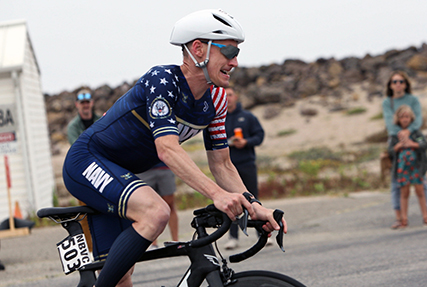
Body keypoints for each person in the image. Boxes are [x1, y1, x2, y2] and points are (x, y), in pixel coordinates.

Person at [62, 9, 287, 287]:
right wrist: (217, 194)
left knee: (122, 279)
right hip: (87, 161)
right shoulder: (162, 81)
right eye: (229, 51)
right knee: (156, 212)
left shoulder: (216, 98)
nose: (236, 62)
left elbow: (222, 164)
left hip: (122, 172)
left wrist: (254, 205)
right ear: (198, 49)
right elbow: (167, 149)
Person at [382, 71, 427, 229]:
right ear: (390, 85)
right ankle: (400, 217)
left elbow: (419, 119)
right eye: (394, 81)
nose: (398, 84)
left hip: (413, 138)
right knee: (398, 185)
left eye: (401, 81)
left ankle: (425, 215)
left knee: (421, 183)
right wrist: (401, 138)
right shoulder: (388, 102)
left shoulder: (413, 99)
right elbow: (390, 122)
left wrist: (410, 134)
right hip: (396, 139)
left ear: (406, 84)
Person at [223, 87, 265, 250]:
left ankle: (261, 233)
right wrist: (229, 142)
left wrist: (246, 142)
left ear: (236, 97)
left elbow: (259, 136)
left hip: (247, 163)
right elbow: (213, 142)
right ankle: (233, 237)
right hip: (228, 166)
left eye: (230, 95)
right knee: (232, 201)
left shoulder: (247, 117)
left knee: (252, 198)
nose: (228, 98)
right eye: (224, 96)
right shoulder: (219, 119)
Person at [67, 88, 102, 252]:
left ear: (92, 103)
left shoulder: (101, 119)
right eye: (82, 103)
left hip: (102, 173)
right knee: (85, 214)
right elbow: (79, 150)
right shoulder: (73, 127)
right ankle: (89, 250)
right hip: (83, 176)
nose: (85, 106)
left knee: (105, 211)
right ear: (77, 105)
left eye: (87, 102)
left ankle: (107, 246)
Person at [388, 105, 427, 228]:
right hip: (402, 168)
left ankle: (425, 216)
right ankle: (403, 219)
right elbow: (390, 150)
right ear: (398, 119)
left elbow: (423, 144)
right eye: (402, 117)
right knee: (404, 193)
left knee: (420, 191)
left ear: (411, 118)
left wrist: (412, 143)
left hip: (416, 167)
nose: (404, 119)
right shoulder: (395, 135)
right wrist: (398, 146)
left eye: (407, 117)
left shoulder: (416, 133)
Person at [136, 162, 178, 249]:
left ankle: (176, 241)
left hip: (164, 167)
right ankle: (153, 244)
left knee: (170, 205)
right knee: (149, 208)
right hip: (143, 169)